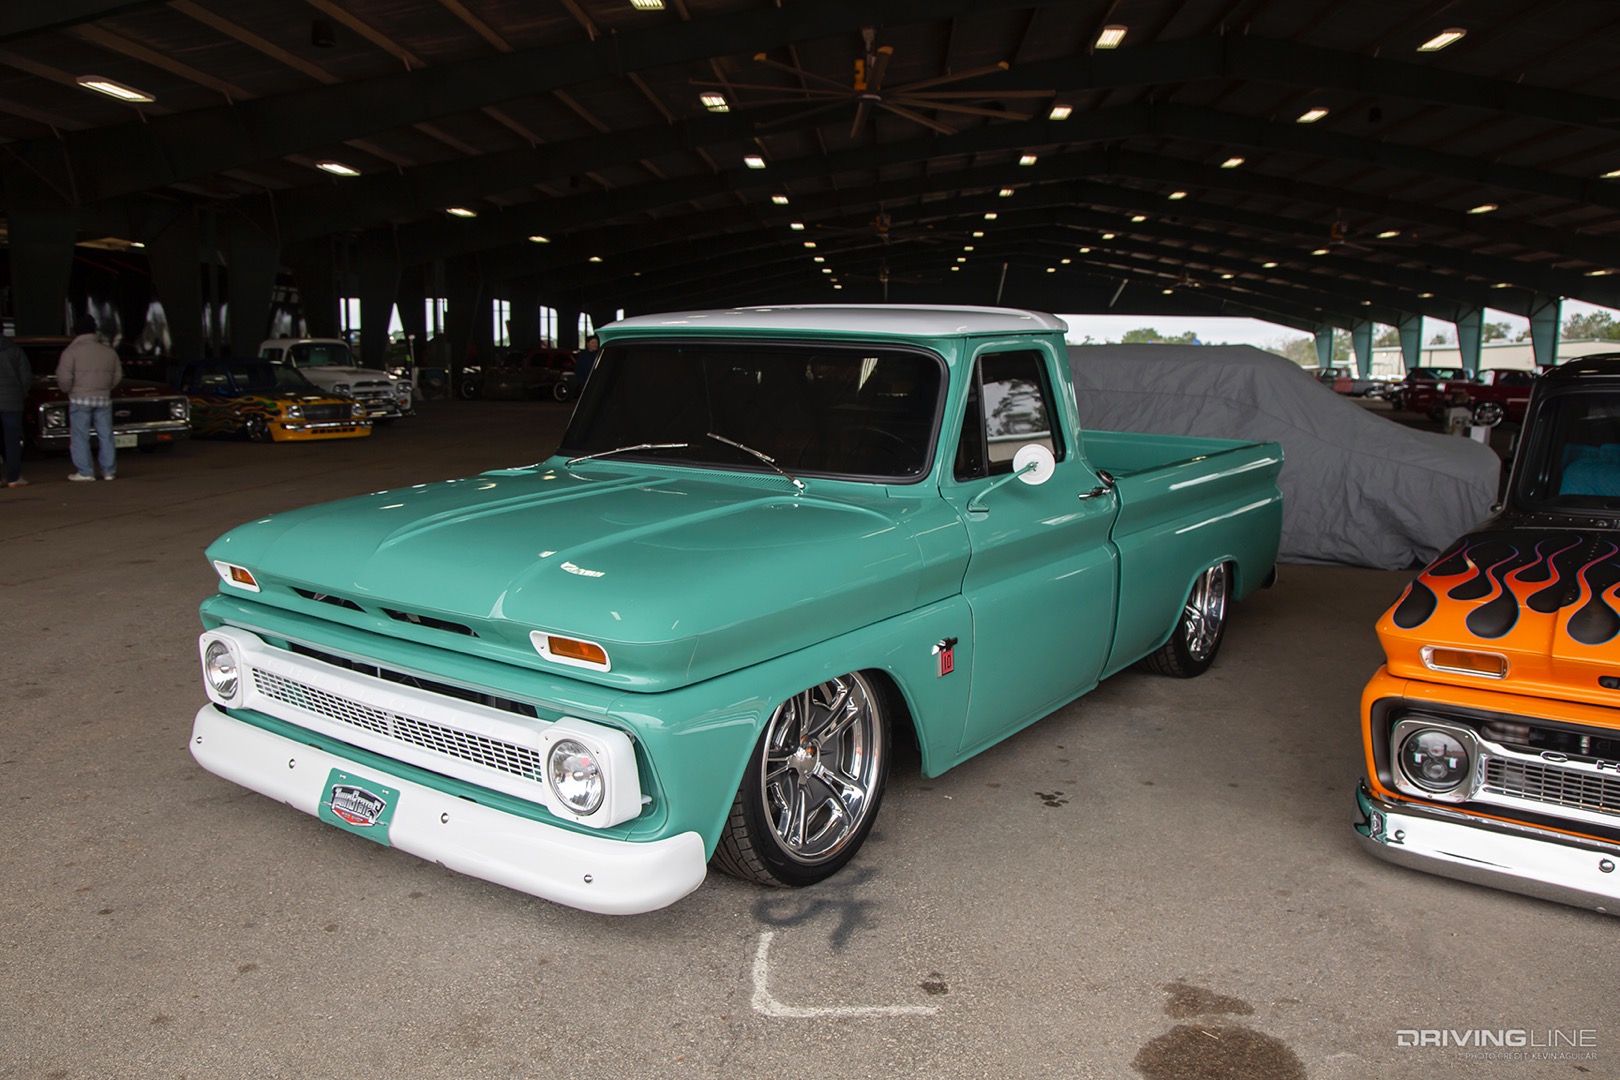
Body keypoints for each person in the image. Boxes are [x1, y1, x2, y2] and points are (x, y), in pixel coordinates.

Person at [57, 313, 123, 481]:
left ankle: (85, 472)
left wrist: (69, 390)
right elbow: (117, 376)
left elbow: (64, 379)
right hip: (103, 399)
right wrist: (104, 388)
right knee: (106, 435)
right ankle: (109, 471)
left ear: (76, 332)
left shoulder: (71, 352)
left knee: (80, 436)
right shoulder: (109, 352)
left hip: (80, 399)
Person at [0, 332, 31, 487]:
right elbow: (25, 377)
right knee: (12, 441)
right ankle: (14, 477)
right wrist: (20, 395)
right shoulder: (15, 349)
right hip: (12, 403)